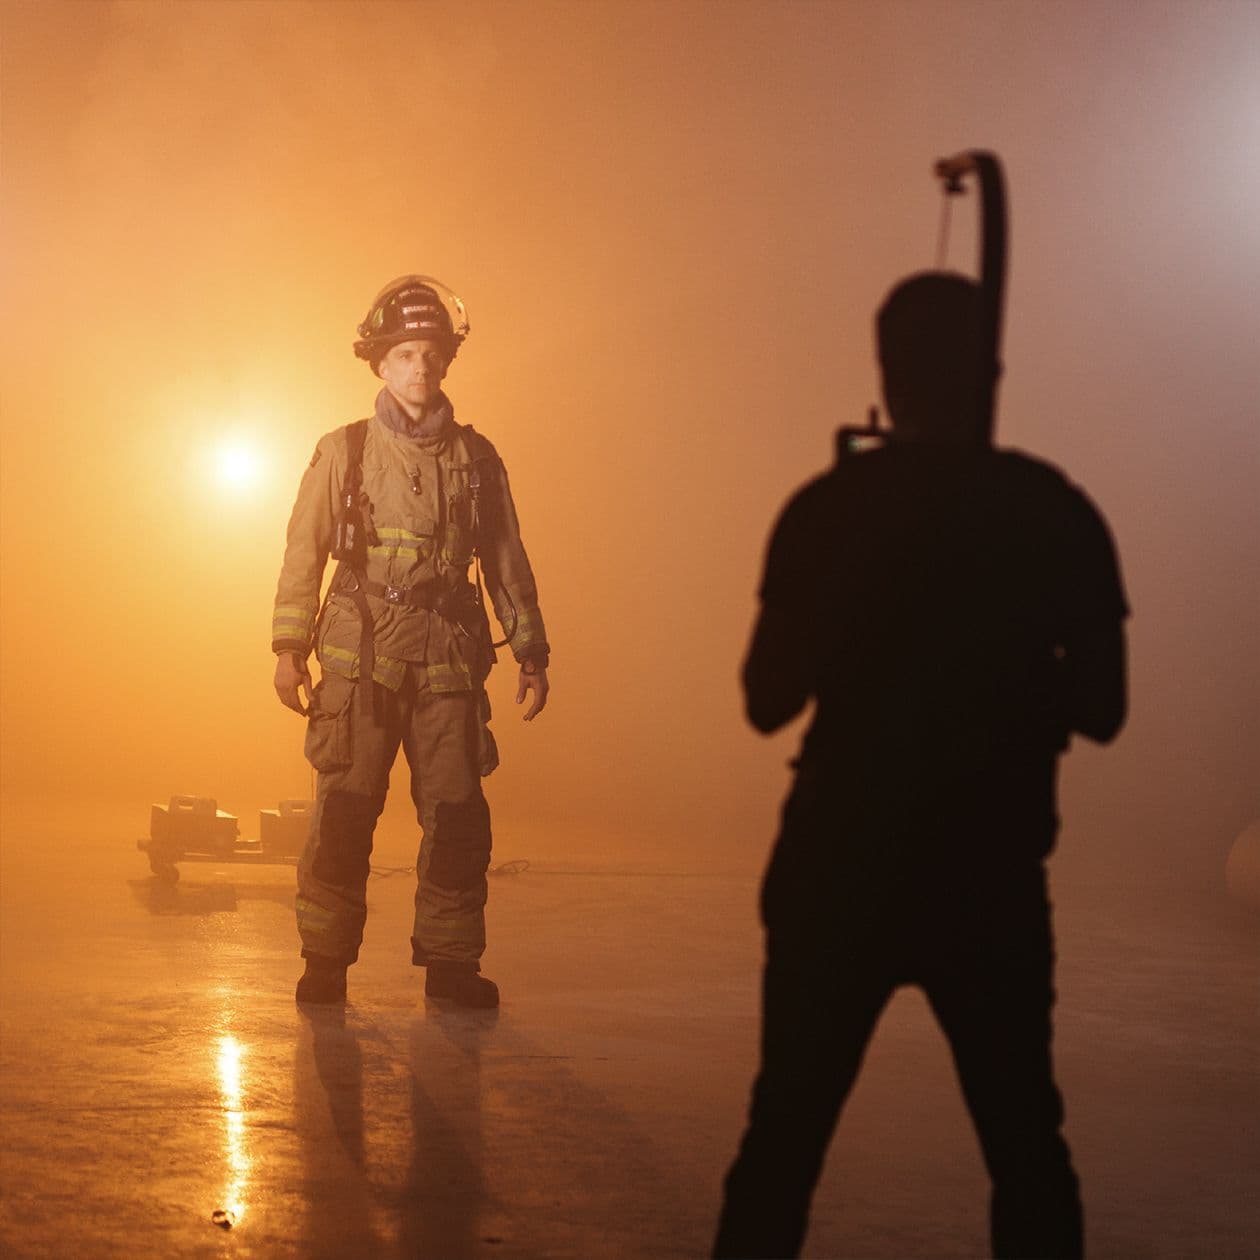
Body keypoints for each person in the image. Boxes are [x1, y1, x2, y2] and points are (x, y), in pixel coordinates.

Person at [713, 272, 1128, 1258]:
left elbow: (765, 700)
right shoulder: (1054, 509)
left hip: (839, 870)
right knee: (1028, 1146)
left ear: (886, 374)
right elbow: (1105, 711)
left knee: (783, 1141)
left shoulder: (828, 507)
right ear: (989, 369)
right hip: (987, 877)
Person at [272, 275, 550, 1009]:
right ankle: (325, 962)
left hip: (449, 659)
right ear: (380, 364)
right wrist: (288, 646)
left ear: (446, 363)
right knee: (344, 810)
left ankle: (453, 965)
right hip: (358, 659)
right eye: (404, 354)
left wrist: (531, 649)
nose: (419, 368)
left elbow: (505, 558)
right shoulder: (345, 451)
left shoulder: (478, 458)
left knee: (458, 813)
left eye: (430, 354)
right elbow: (304, 553)